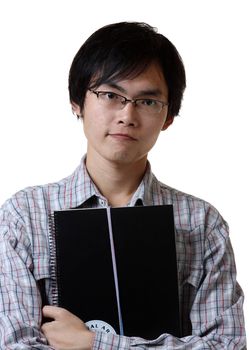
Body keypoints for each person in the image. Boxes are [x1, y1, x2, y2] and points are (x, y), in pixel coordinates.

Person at [0, 21, 246, 349]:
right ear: (78, 102)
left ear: (168, 116)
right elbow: (16, 344)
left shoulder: (201, 222)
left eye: (147, 101)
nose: (127, 115)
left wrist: (94, 344)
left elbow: (227, 345)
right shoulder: (24, 215)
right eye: (111, 95)